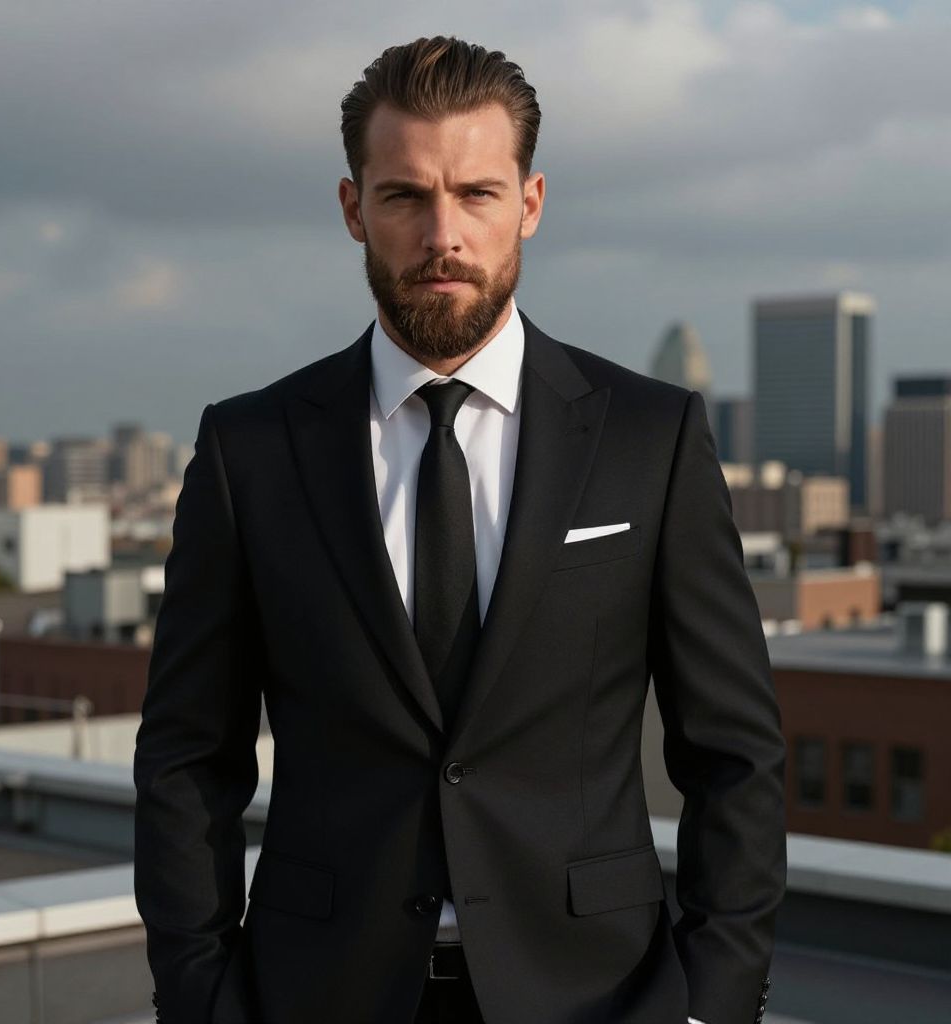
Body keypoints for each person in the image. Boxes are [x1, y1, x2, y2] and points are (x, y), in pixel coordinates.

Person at [133, 35, 786, 1024]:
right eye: (404, 196)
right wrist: (202, 999)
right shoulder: (250, 450)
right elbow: (189, 757)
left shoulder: (650, 437)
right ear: (353, 208)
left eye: (477, 193)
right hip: (318, 995)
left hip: (598, 995)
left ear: (530, 203)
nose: (443, 235)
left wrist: (711, 1002)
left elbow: (734, 750)